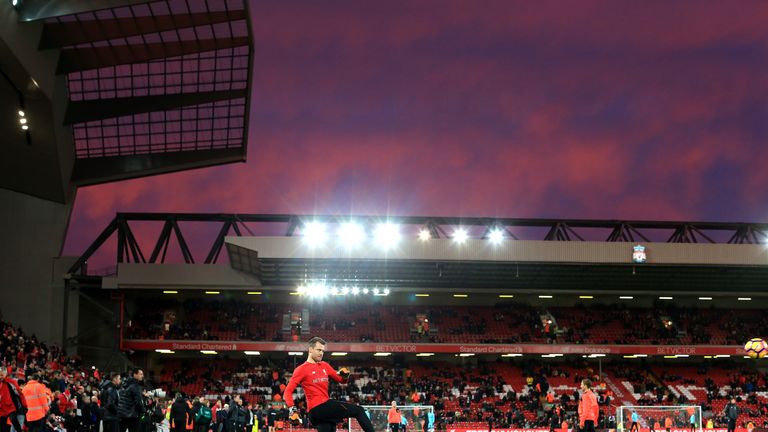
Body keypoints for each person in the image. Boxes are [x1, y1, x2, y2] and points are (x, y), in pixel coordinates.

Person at [283, 337, 375, 432]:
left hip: (319, 413)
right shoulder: (301, 369)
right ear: (310, 350)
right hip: (318, 408)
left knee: (329, 429)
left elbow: (341, 380)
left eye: (322, 350)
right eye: (318, 350)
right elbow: (287, 392)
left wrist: (345, 376)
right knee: (359, 411)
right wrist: (292, 410)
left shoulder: (324, 365)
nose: (321, 353)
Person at [117, 368, 146, 432]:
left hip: (122, 414)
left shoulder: (124, 383)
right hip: (132, 415)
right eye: (140, 374)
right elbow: (138, 401)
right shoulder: (135, 386)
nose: (142, 376)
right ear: (135, 375)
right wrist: (143, 410)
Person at [0, 366, 25, 432]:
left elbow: (20, 394)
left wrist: (24, 405)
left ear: (5, 374)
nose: (0, 376)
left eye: (2, 375)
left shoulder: (11, 382)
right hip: (2, 408)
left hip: (11, 406)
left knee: (13, 419)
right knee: (2, 426)